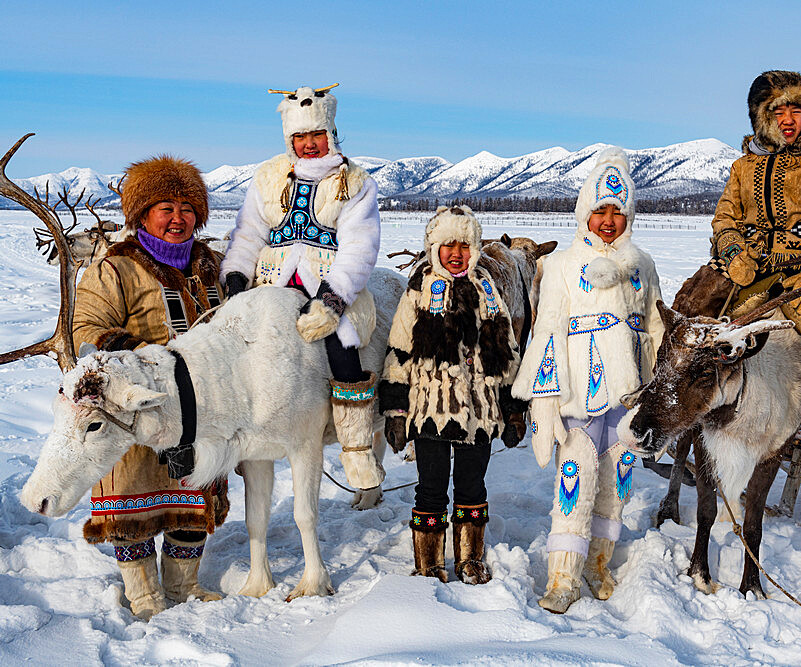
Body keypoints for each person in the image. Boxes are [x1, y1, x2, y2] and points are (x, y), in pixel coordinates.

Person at [671, 70, 801, 464]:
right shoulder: (742, 168)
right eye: (779, 111)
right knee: (687, 304)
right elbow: (725, 217)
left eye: (797, 110)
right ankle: (671, 398)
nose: (789, 119)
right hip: (745, 265)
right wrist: (731, 251)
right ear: (763, 118)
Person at [73, 155, 228, 620]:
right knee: (133, 497)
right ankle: (143, 595)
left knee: (192, 492)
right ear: (141, 214)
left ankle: (182, 586)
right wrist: (143, 359)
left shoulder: (212, 264)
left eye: (186, 207)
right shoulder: (117, 267)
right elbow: (86, 326)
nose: (178, 218)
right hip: (138, 407)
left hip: (202, 405)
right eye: (165, 207)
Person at [512, 147, 665, 613]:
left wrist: (658, 397)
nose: (608, 220)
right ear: (585, 212)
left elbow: (656, 331)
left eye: (618, 212)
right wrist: (543, 400)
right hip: (580, 399)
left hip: (629, 401)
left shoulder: (643, 266)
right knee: (573, 487)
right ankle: (562, 578)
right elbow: (545, 334)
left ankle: (598, 565)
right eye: (600, 210)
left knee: (616, 489)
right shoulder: (561, 266)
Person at [221, 85, 385, 492]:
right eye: (300, 137)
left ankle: (356, 447)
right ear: (289, 139)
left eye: (316, 136)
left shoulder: (355, 182)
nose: (309, 145)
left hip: (329, 285)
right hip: (271, 283)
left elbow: (359, 246)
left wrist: (334, 298)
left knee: (344, 347)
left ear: (330, 132)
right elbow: (248, 233)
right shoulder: (270, 176)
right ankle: (244, 436)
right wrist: (237, 275)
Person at [378, 205, 525, 584]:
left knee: (472, 485)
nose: (456, 253)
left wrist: (513, 410)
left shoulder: (488, 291)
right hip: (430, 410)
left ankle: (470, 559)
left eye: (464, 245)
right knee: (430, 488)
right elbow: (399, 351)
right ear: (434, 247)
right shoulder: (418, 289)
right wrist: (395, 409)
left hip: (481, 412)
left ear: (475, 248)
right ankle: (428, 563)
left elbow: (508, 354)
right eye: (448, 245)